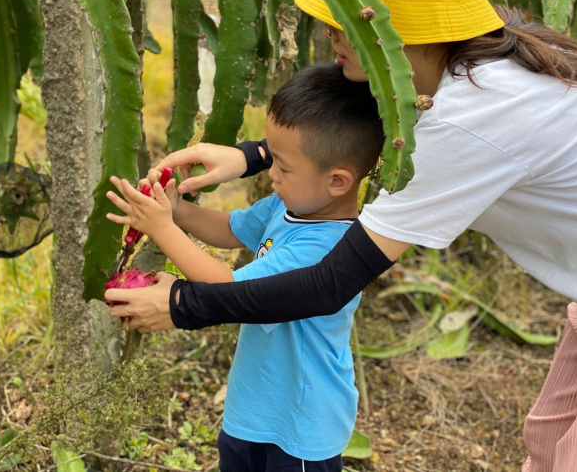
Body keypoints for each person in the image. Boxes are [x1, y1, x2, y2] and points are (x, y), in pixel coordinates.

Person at [105, 0, 577, 470]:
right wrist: (251, 156)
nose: (326, 28)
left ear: (393, 24)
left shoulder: (475, 121)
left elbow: (328, 282)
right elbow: (375, 122)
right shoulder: (473, 59)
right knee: (552, 447)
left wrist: (184, 304)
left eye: (341, 12)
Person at [106, 62, 385, 472]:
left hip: (300, 427)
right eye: (271, 158)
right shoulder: (289, 204)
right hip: (251, 410)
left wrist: (161, 228)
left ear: (338, 181)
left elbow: (226, 287)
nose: (269, 173)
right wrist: (176, 210)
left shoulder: (327, 246)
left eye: (283, 167)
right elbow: (228, 229)